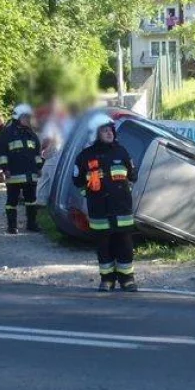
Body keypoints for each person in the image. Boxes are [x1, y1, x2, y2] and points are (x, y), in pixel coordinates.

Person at [72, 113, 138, 292]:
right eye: (104, 131)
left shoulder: (121, 152)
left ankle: (127, 280)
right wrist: (89, 195)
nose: (109, 133)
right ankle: (107, 280)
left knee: (125, 244)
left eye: (110, 130)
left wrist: (124, 193)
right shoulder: (85, 156)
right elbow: (77, 180)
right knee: (103, 245)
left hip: (122, 209)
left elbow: (133, 175)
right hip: (99, 210)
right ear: (96, 134)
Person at [0, 103, 42, 234]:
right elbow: (2, 153)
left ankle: (32, 224)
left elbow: (37, 153)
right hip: (14, 175)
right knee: (12, 202)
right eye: (26, 117)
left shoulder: (31, 134)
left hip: (30, 175)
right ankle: (12, 226)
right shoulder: (7, 133)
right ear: (18, 117)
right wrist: (5, 169)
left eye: (29, 117)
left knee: (31, 201)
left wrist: (38, 167)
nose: (28, 120)